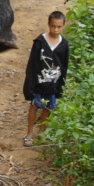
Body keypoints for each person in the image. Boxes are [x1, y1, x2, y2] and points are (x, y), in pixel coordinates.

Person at [22, 11, 69, 147]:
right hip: (39, 81)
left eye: (59, 27)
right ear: (48, 24)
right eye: (53, 26)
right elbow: (32, 63)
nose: (55, 30)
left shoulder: (64, 44)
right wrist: (29, 83)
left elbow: (64, 65)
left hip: (53, 83)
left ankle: (42, 133)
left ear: (64, 26)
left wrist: (61, 84)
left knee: (48, 107)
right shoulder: (40, 41)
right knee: (34, 106)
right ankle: (29, 133)